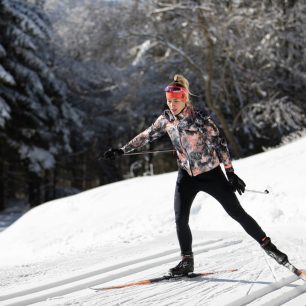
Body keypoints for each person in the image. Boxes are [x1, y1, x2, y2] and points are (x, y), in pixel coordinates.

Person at [104, 74, 289, 276]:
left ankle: (270, 247)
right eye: (169, 101)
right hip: (186, 176)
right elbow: (147, 135)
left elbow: (220, 144)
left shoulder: (200, 119)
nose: (172, 105)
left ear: (184, 99)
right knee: (180, 218)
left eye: (175, 101)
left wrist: (230, 173)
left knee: (237, 213)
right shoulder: (166, 120)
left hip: (211, 174)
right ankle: (186, 261)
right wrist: (122, 150)